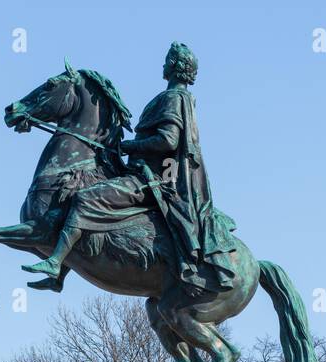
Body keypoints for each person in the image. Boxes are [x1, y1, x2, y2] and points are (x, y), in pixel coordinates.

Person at [21, 41, 237, 298]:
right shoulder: (180, 98)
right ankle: (59, 273)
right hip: (151, 174)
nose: (163, 65)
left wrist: (130, 145)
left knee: (86, 198)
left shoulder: (173, 98)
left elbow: (168, 140)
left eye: (166, 61)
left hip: (152, 179)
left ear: (174, 66)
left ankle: (56, 262)